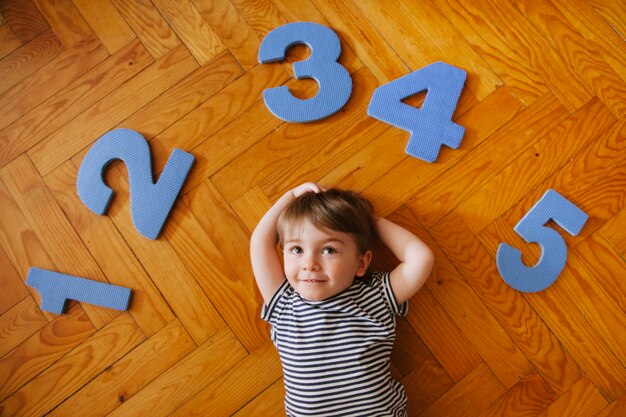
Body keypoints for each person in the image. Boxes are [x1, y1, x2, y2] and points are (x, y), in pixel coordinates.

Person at [250, 182, 434, 417]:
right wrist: (291, 195)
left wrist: (371, 223)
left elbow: (421, 258)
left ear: (361, 263)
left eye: (329, 250)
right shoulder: (284, 303)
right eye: (297, 250)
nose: (310, 263)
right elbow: (259, 243)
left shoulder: (374, 296)